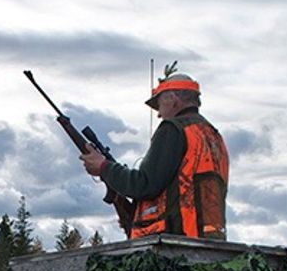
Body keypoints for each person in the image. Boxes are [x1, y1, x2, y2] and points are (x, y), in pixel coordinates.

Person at [80, 65, 229, 240]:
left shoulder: (173, 129)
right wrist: (137, 214)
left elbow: (144, 184)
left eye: (159, 104)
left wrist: (104, 167)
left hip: (172, 243)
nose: (158, 114)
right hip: (209, 240)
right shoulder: (213, 136)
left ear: (173, 99)